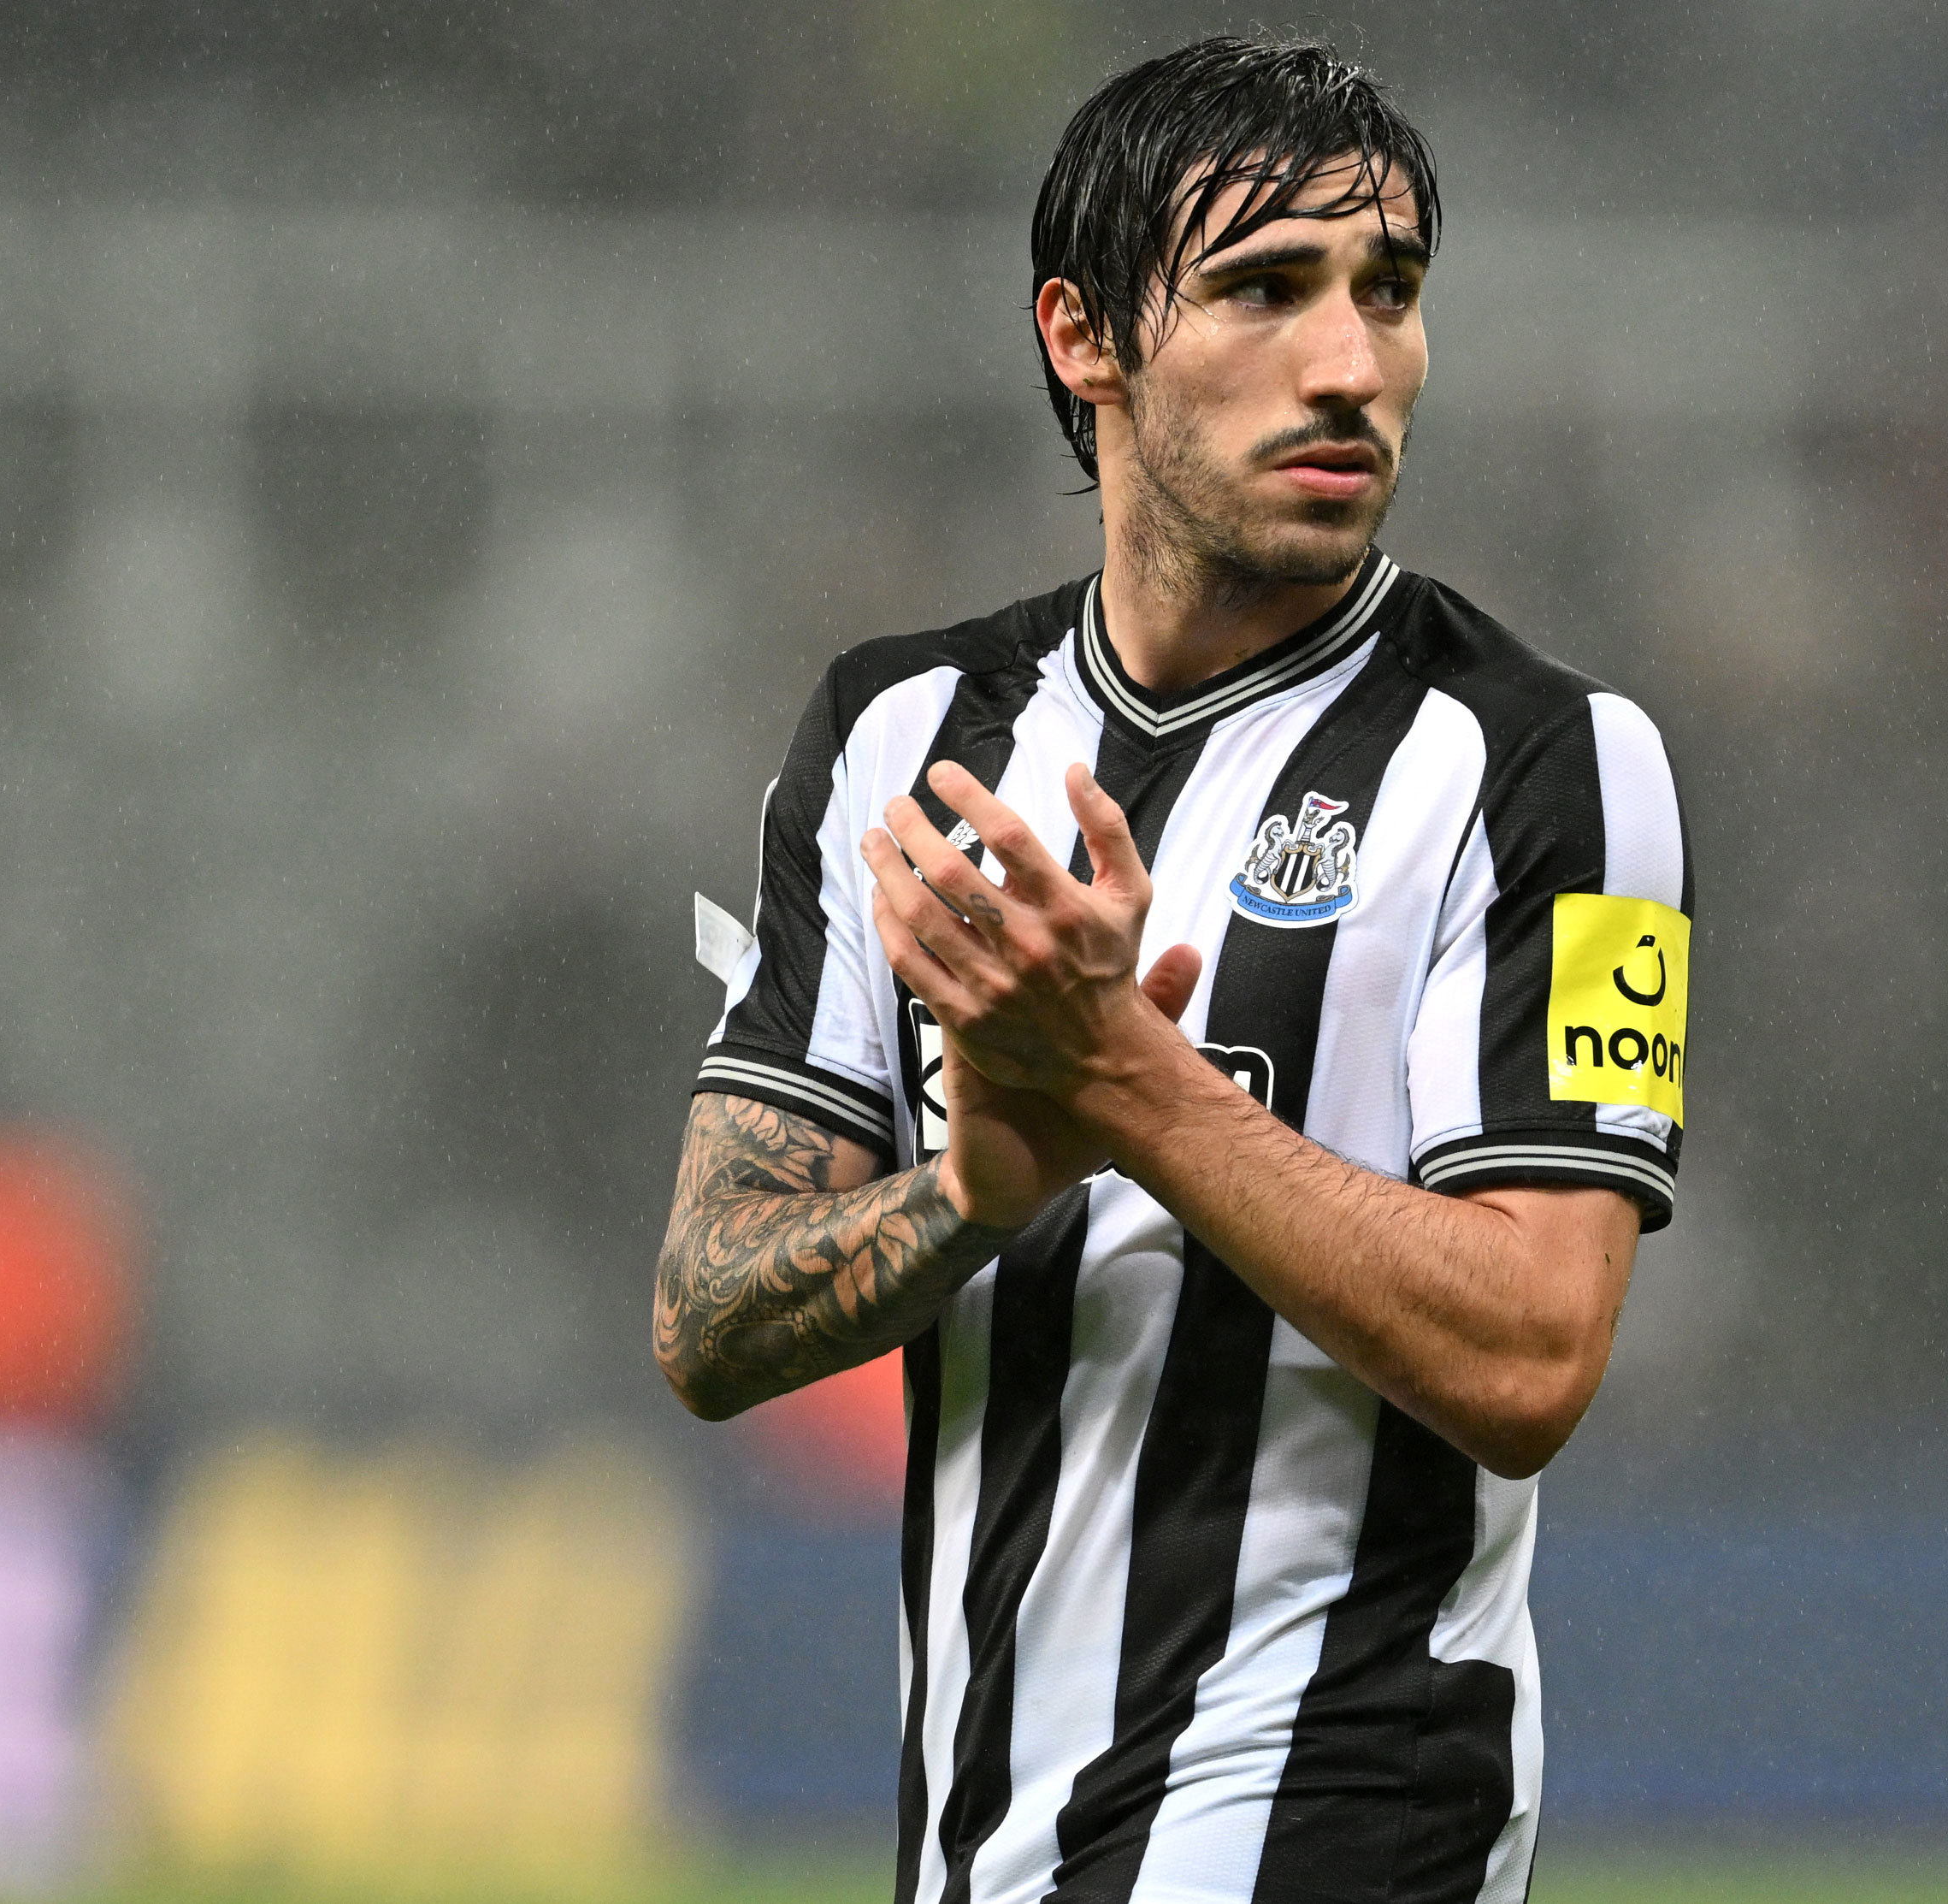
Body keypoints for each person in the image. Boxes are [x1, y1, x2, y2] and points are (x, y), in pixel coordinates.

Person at [650, 35, 1691, 1904]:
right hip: (986, 1836)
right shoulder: (900, 742)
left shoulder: (1556, 766)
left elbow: (1538, 1349)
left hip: (1339, 1815)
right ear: (1084, 337)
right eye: (1265, 289)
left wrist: (1125, 1085)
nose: (1350, 361)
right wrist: (980, 1186)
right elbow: (706, 1316)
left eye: (1390, 291)